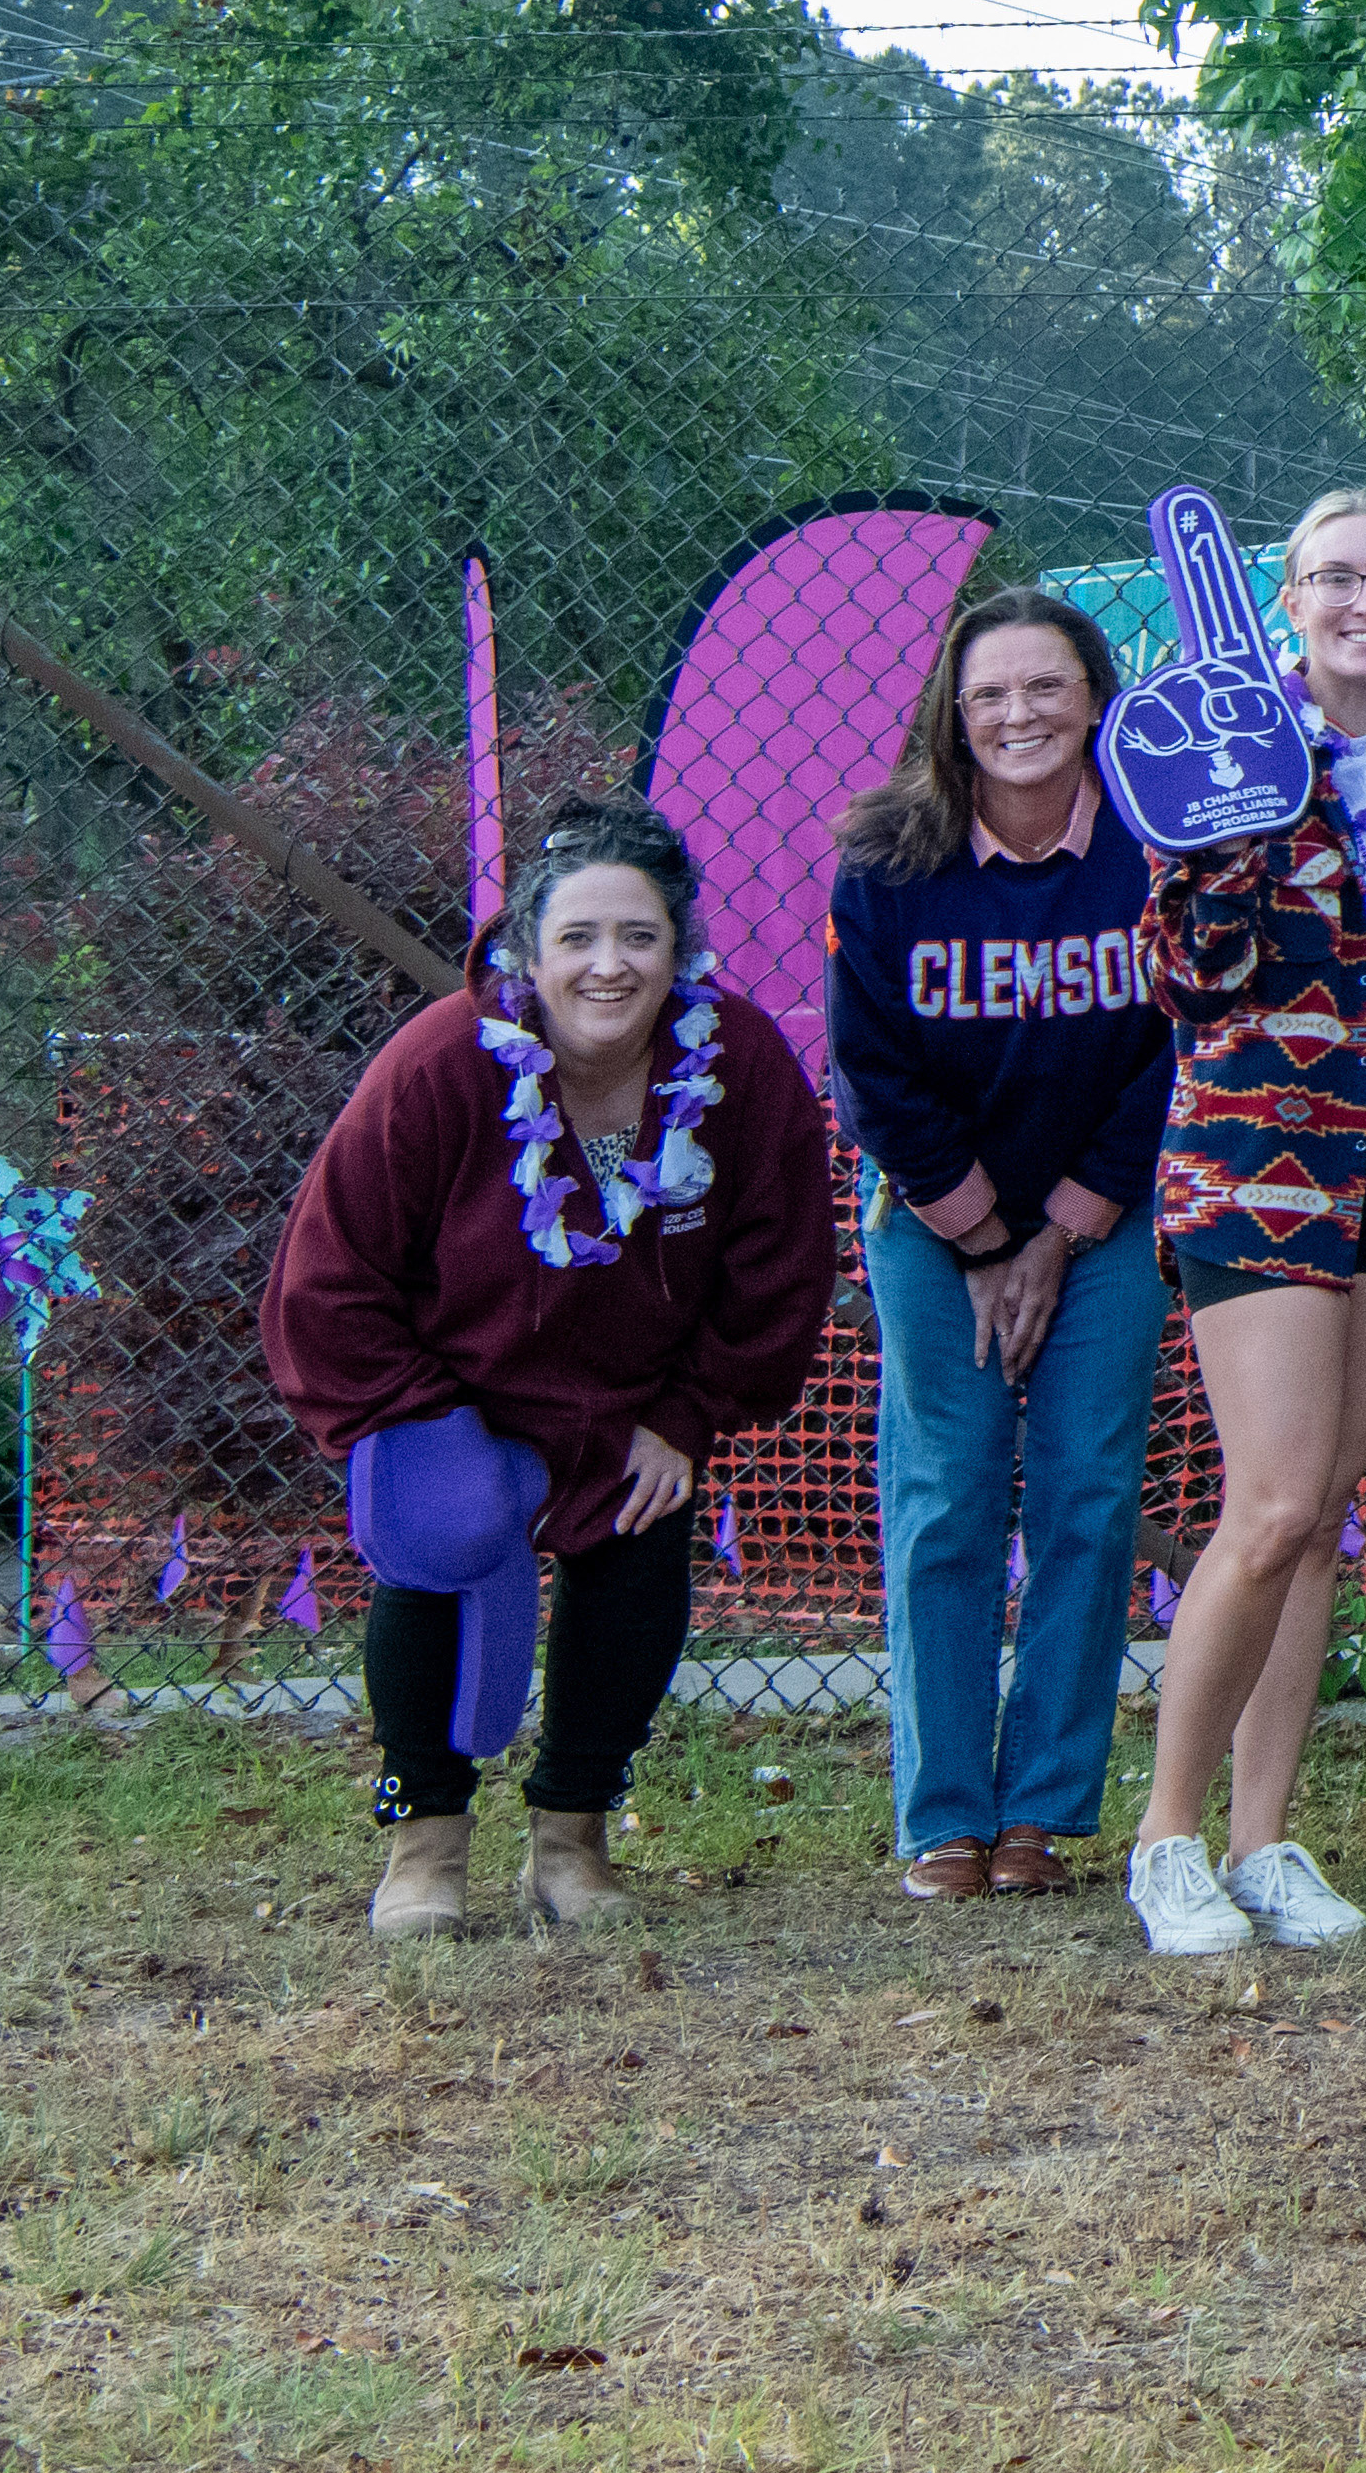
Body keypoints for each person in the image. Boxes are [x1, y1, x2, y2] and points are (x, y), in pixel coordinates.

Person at [273, 800, 844, 1937]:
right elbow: (327, 1270)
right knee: (441, 1545)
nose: (607, 964)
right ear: (527, 952)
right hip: (453, 1389)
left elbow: (782, 1264)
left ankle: (572, 1838)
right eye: (578, 936)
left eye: (638, 936)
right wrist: (421, 1420)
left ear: (679, 951)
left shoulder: (740, 1066)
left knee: (639, 1557)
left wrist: (689, 1412)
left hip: (631, 1401)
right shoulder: (442, 1061)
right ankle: (425, 1841)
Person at [1123, 487, 1366, 1958]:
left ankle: (1265, 1837)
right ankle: (1165, 1839)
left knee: (1326, 1508)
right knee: (1269, 1504)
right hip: (1267, 1146)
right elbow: (1191, 968)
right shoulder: (1222, 743)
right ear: (1289, 599)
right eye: (1335, 577)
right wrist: (1244, 842)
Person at [826, 590, 1165, 1905]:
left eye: (1045, 688)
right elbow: (871, 1065)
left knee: (1086, 1496)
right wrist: (975, 1234)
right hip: (931, 1219)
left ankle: (1042, 1811)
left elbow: (1176, 1049)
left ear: (1095, 697)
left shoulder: (1153, 850)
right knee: (947, 1500)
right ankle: (945, 1815)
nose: (1018, 715)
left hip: (1107, 1216)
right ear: (951, 718)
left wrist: (1067, 1227)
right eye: (988, 696)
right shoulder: (890, 859)